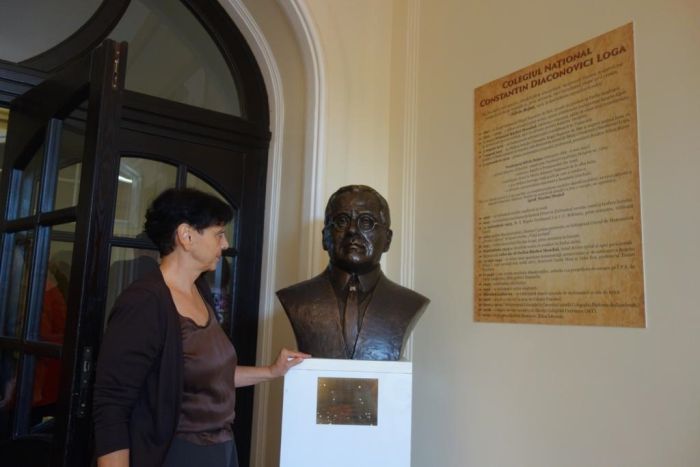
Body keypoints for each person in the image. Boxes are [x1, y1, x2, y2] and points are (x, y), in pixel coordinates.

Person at [93, 188, 309, 467]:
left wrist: (271, 371)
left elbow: (209, 375)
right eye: (219, 234)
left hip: (221, 449)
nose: (225, 244)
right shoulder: (145, 302)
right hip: (175, 454)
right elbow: (112, 406)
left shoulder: (200, 291)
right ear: (186, 236)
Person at [277, 185, 429, 361]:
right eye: (342, 221)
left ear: (387, 240)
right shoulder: (296, 299)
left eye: (366, 222)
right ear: (325, 237)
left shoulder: (408, 303)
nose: (352, 230)